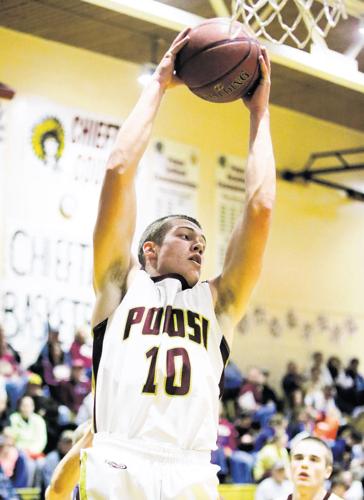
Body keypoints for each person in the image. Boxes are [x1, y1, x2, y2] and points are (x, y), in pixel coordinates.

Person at [82, 25, 275, 499]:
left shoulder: (219, 301)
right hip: (118, 459)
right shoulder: (121, 283)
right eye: (186, 235)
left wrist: (259, 113)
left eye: (202, 241)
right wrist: (159, 86)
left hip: (191, 470)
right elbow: (117, 170)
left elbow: (261, 207)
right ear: (149, 248)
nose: (198, 247)